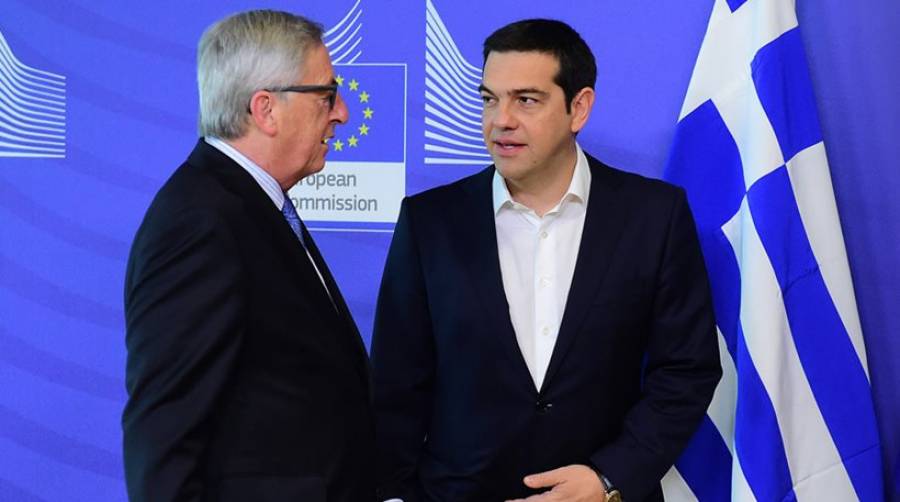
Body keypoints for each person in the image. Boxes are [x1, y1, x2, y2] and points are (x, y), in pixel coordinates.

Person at [371, 19, 721, 502]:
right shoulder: (430, 221)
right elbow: (395, 386)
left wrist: (608, 478)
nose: (501, 120)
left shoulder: (653, 216)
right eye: (489, 99)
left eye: (526, 100)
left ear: (579, 107)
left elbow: (685, 370)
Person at [122, 10, 374, 502]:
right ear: (266, 110)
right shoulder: (201, 223)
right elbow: (164, 439)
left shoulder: (249, 204)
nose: (342, 112)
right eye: (327, 94)